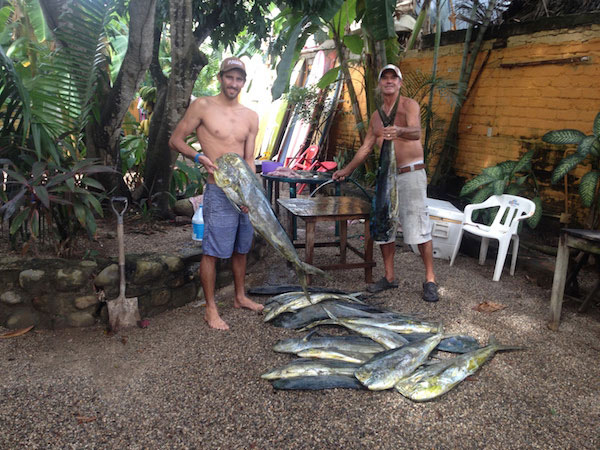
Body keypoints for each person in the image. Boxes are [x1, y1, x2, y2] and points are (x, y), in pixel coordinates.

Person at [169, 56, 264, 330]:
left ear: (243, 82)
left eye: (239, 79)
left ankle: (240, 296)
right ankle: (210, 309)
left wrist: (251, 194)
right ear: (221, 78)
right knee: (212, 251)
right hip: (217, 189)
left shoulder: (251, 116)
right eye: (229, 77)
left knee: (242, 247)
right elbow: (175, 140)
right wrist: (199, 158)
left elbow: (249, 159)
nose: (233, 83)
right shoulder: (203, 106)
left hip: (242, 192)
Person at [332, 64, 439, 302]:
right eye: (385, 78)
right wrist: (346, 170)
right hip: (385, 177)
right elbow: (366, 147)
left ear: (399, 83)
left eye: (394, 78)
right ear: (380, 84)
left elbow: (416, 132)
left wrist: (399, 130)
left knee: (419, 226)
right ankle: (389, 277)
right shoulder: (376, 117)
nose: (389, 81)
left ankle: (430, 279)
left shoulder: (408, 105)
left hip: (410, 174)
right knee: (384, 226)